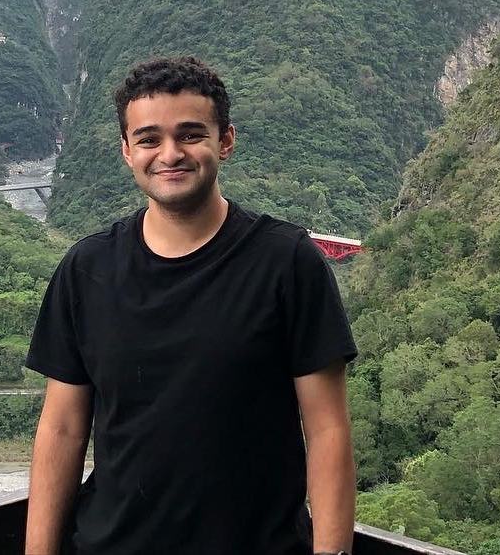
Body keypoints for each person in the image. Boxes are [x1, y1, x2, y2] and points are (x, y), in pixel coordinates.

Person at [25, 56, 357, 555]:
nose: (170, 153)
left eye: (190, 134)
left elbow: (327, 428)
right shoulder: (87, 269)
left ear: (225, 141)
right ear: (126, 151)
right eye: (149, 139)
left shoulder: (286, 262)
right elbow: (62, 429)